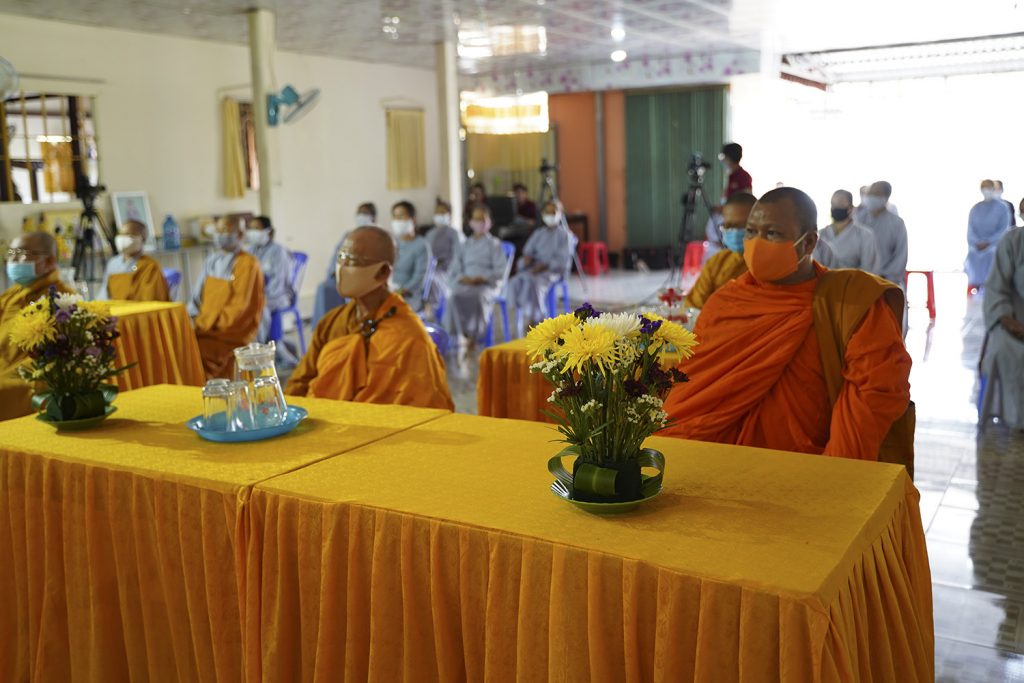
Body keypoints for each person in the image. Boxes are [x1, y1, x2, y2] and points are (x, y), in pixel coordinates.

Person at [661, 187, 912, 462]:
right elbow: (692, 396)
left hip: (804, 468)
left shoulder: (851, 304)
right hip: (715, 461)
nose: (757, 243)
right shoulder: (725, 302)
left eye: (772, 233)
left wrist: (834, 474)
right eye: (751, 232)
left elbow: (872, 397)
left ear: (809, 243)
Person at [284, 225, 453, 409]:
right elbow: (299, 383)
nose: (341, 268)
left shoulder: (410, 338)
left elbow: (426, 409)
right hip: (323, 419)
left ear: (383, 272)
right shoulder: (332, 322)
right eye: (341, 257)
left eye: (352, 260)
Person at [1, 232, 75, 420]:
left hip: (26, 375)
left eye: (21, 253)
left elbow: (53, 358)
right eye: (11, 253)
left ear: (49, 261)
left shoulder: (61, 301)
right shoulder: (12, 295)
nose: (13, 260)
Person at [188, 215, 265, 379]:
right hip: (205, 325)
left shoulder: (248, 264)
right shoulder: (212, 261)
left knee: (198, 352)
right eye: (218, 231)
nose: (220, 235)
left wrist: (208, 326)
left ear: (240, 234)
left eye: (225, 231)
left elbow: (239, 308)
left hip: (230, 331)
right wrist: (192, 320)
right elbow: (196, 298)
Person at [981, 207, 1024, 429]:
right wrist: (1010, 322)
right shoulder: (1013, 241)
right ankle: (1016, 418)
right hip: (1016, 321)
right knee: (1005, 350)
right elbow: (996, 289)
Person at [444, 204, 508, 348]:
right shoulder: (464, 245)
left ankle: (476, 336)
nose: (479, 223)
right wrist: (463, 278)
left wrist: (483, 278)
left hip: (486, 284)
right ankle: (462, 334)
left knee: (479, 296)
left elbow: (500, 270)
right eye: (476, 219)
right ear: (471, 222)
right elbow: (455, 268)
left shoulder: (494, 244)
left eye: (483, 219)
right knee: (453, 297)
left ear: (489, 222)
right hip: (465, 282)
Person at [507, 201, 574, 331]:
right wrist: (527, 259)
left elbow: (563, 260)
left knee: (535, 283)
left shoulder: (565, 235)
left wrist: (545, 266)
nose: (550, 215)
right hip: (534, 268)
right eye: (547, 212)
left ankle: (538, 320)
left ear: (560, 214)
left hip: (552, 271)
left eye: (553, 212)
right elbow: (527, 251)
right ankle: (525, 315)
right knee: (516, 281)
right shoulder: (539, 233)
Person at [685, 193, 755, 309]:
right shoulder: (716, 263)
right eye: (729, 225)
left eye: (743, 226)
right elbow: (693, 308)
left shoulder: (768, 268)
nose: (735, 231)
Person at [312, 202, 377, 327]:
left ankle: (343, 326)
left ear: (373, 217)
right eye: (359, 213)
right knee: (324, 288)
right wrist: (336, 271)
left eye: (364, 213)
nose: (361, 216)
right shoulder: (349, 236)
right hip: (343, 276)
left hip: (361, 279)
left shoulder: (377, 238)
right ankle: (323, 327)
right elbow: (340, 255)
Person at [244, 215, 295, 348]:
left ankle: (261, 347)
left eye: (257, 228)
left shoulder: (278, 252)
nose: (253, 232)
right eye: (251, 228)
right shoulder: (251, 251)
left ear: (269, 231)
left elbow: (279, 283)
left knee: (258, 308)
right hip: (258, 295)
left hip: (279, 295)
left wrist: (260, 298)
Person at [97, 219, 169, 301]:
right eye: (120, 234)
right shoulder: (113, 263)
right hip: (115, 307)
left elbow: (153, 299)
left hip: (139, 308)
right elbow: (104, 294)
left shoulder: (150, 266)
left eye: (129, 235)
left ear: (142, 239)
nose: (123, 238)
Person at [813, 190, 880, 273]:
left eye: (840, 204)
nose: (835, 207)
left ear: (851, 208)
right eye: (833, 204)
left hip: (854, 280)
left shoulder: (865, 235)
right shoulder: (821, 234)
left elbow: (869, 270)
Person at [857, 181, 909, 286]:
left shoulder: (897, 223)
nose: (871, 196)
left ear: (886, 196)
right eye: (870, 193)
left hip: (886, 280)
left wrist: (885, 277)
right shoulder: (858, 218)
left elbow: (901, 255)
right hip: (859, 278)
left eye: (876, 193)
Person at [966, 180, 1012, 295]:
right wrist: (977, 243)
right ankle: (975, 286)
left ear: (993, 189)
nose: (986, 191)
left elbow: (1003, 230)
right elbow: (970, 231)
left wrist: (989, 242)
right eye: (984, 188)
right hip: (977, 246)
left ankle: (992, 287)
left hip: (994, 245)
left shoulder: (1002, 208)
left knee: (991, 253)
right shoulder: (976, 208)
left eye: (988, 188)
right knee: (973, 254)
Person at [389, 200, 432, 311]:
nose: (397, 220)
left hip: (409, 296)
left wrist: (400, 291)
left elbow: (419, 278)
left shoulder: (421, 245)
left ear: (413, 220)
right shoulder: (393, 243)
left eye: (401, 216)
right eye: (395, 217)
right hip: (390, 292)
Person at [424, 199, 461, 312]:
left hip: (447, 272)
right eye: (437, 212)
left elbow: (458, 257)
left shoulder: (454, 234)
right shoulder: (430, 234)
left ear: (449, 215)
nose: (439, 215)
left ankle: (433, 311)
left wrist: (444, 265)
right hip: (429, 270)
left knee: (432, 281)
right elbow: (424, 255)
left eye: (442, 212)